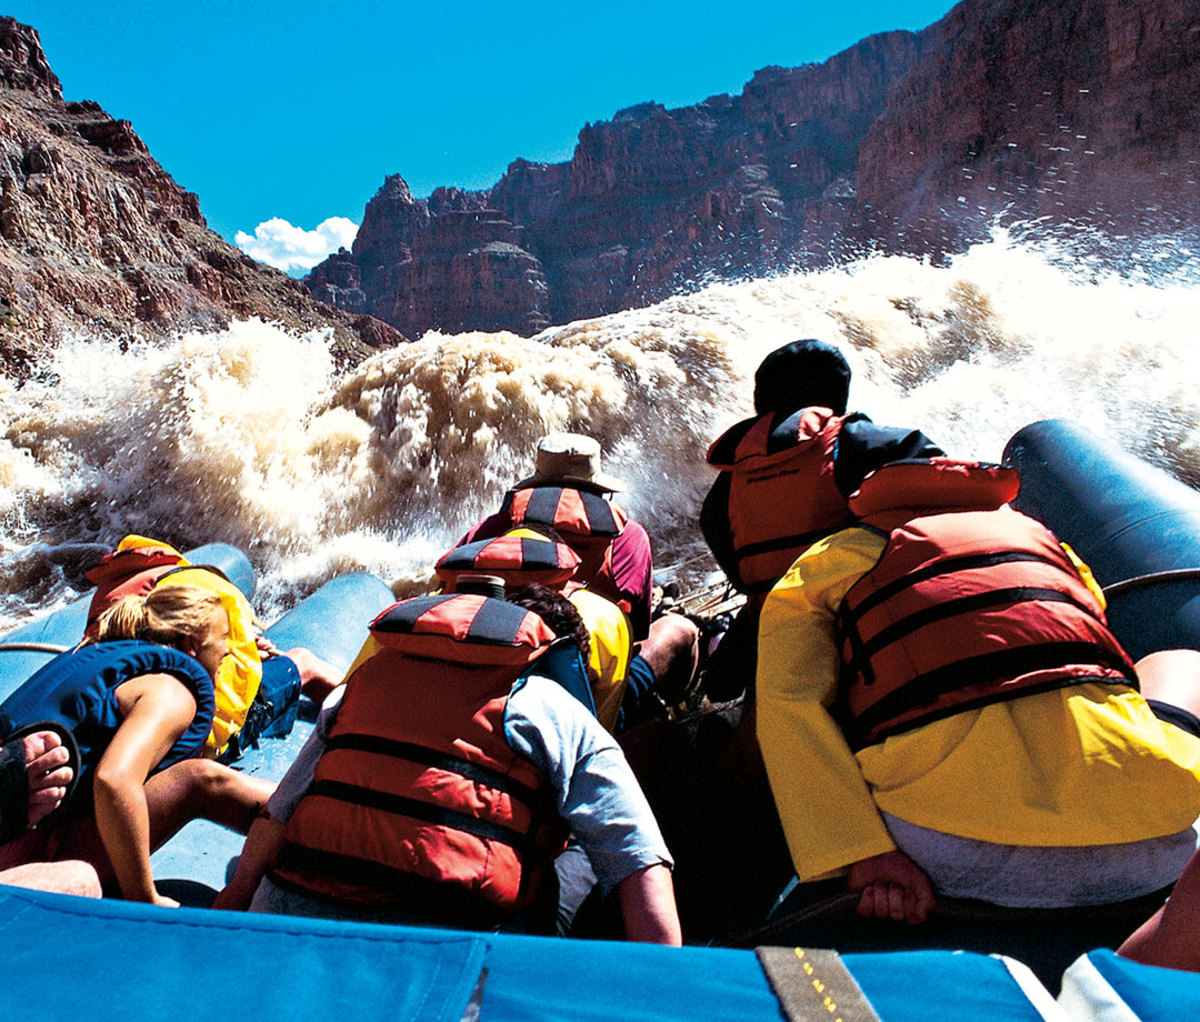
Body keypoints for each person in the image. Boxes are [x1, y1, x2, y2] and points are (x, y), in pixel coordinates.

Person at [756, 457, 1200, 925]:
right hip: (1157, 843)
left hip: (950, 851)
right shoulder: (1046, 543)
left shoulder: (834, 555)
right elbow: (1095, 642)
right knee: (1181, 664)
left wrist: (860, 852)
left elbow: (789, 700)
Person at [214, 588, 681, 945]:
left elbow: (277, 814)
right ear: (560, 660)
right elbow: (640, 863)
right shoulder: (557, 709)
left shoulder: (359, 687)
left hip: (289, 923)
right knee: (583, 860)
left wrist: (232, 906)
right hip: (450, 954)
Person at [0, 585, 274, 905]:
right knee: (197, 780)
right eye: (224, 638)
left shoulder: (94, 655)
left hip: (21, 826)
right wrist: (145, 898)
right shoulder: (172, 692)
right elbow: (113, 779)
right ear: (191, 644)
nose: (228, 649)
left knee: (195, 777)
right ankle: (304, 821)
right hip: (30, 848)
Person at [700, 339, 941, 700]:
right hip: (869, 631)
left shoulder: (731, 479)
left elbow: (726, 547)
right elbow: (934, 470)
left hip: (782, 643)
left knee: (729, 673)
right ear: (837, 393)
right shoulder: (856, 442)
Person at [83, 535, 340, 761]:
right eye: (224, 640)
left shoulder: (121, 590)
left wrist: (245, 650)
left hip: (125, 699)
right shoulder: (221, 598)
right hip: (191, 735)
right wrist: (245, 663)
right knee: (303, 661)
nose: (227, 648)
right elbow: (224, 712)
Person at [435, 529, 698, 733]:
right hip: (587, 720)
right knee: (679, 629)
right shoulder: (599, 613)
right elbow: (602, 714)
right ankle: (684, 708)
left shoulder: (433, 610)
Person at [462, 433, 657, 641]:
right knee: (680, 629)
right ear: (600, 490)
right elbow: (637, 631)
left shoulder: (490, 529)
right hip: (582, 664)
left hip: (498, 657)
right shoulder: (628, 536)